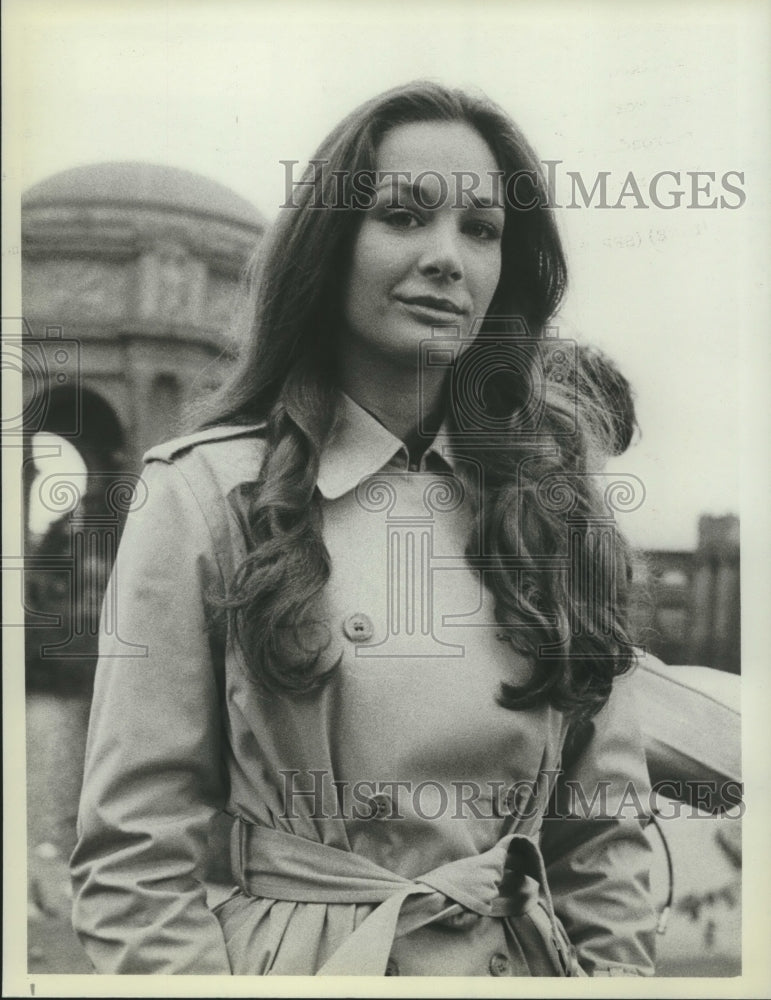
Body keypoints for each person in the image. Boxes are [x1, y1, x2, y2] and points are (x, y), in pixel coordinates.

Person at [70, 81, 657, 977]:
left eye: (481, 230)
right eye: (402, 215)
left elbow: (604, 840)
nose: (446, 258)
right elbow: (136, 860)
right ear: (328, 244)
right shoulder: (200, 498)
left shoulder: (558, 512)